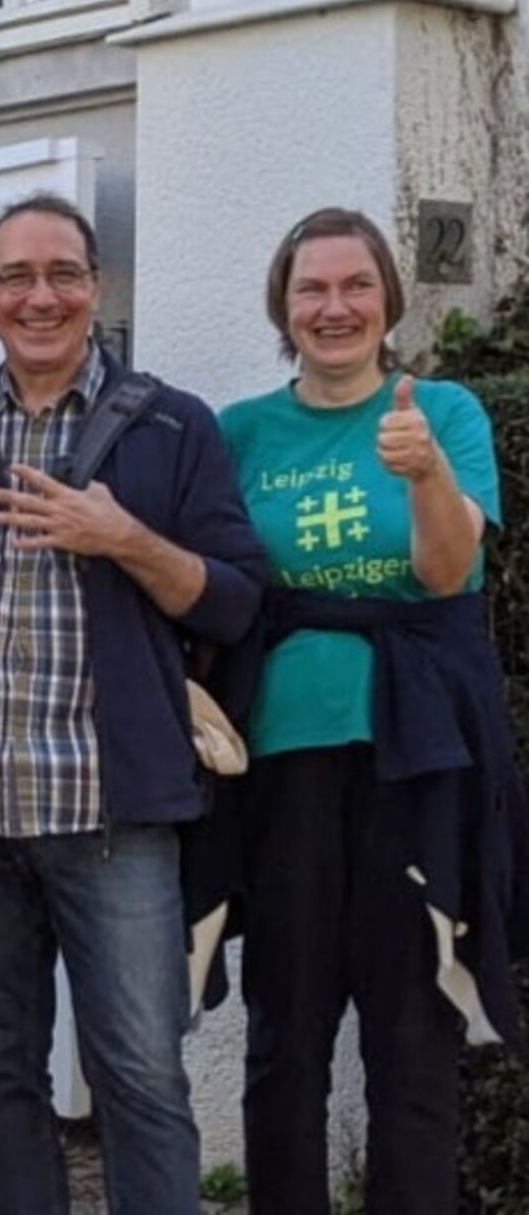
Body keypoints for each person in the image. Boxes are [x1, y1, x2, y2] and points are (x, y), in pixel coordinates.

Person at [0, 192, 267, 1214]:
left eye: (60, 274)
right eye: (13, 276)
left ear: (94, 289)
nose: (37, 296)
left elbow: (233, 602)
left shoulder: (168, 427)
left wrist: (125, 540)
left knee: (138, 1073)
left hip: (117, 817)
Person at [220, 208, 525, 1215]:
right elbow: (212, 594)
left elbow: (446, 575)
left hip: (414, 759)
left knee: (411, 1033)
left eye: (354, 286)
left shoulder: (444, 413)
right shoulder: (238, 433)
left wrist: (424, 469)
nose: (333, 306)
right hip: (280, 762)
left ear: (387, 299)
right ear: (282, 305)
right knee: (285, 1033)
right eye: (311, 288)